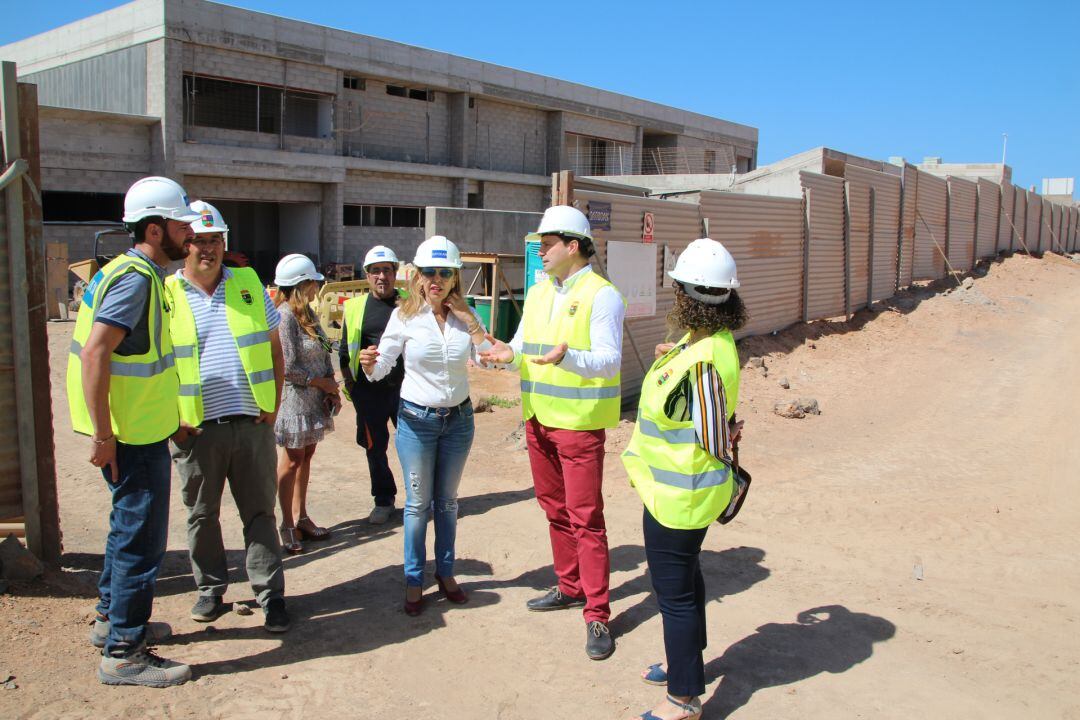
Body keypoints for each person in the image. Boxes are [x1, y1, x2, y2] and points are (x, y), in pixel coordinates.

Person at [67, 176, 198, 686]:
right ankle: (125, 650)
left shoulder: (129, 270)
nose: (189, 233)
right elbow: (98, 352)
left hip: (133, 429)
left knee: (127, 530)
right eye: (181, 223)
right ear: (153, 226)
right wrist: (104, 436)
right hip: (130, 435)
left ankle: (109, 621)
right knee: (141, 541)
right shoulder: (137, 279)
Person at [480, 205, 625, 661]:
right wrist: (504, 354)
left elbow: (609, 361)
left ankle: (598, 613)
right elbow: (522, 346)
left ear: (574, 246)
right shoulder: (542, 292)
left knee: (586, 518)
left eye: (547, 244)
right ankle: (569, 586)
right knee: (554, 510)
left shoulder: (603, 296)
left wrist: (568, 359)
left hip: (579, 427)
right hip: (537, 419)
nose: (540, 251)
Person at [621, 238, 748, 720]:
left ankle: (684, 696)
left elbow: (714, 435)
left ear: (686, 296)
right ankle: (686, 664)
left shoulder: (706, 357)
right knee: (687, 582)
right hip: (675, 490)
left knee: (673, 595)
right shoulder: (698, 342)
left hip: (681, 495)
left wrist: (726, 427)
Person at [164, 201, 290, 633]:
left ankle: (270, 595)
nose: (207, 249)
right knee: (202, 516)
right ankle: (210, 590)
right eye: (198, 240)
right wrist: (172, 420)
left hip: (251, 423)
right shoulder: (167, 294)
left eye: (215, 240)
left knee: (260, 513)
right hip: (196, 429)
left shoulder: (248, 283)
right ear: (184, 244)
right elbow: (159, 364)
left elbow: (275, 348)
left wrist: (273, 403)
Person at [359, 236, 487, 616]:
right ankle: (414, 579)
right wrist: (369, 365)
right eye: (429, 271)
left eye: (445, 272)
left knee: (447, 503)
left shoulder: (467, 315)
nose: (437, 279)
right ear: (416, 274)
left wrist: (471, 320)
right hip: (417, 421)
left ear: (455, 276)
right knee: (417, 505)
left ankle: (445, 573)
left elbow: (490, 359)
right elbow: (382, 367)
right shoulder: (404, 316)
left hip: (459, 421)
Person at [273, 254, 341, 554]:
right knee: (291, 461)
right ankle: (287, 523)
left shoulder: (309, 316)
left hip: (314, 399)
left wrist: (331, 384)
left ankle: (302, 518)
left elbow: (327, 348)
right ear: (302, 284)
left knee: (306, 457)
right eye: (313, 282)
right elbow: (286, 367)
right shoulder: (285, 316)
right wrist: (320, 382)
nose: (317, 287)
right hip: (294, 401)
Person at [339, 246, 407, 524]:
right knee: (374, 447)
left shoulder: (411, 304)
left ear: (395, 273)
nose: (382, 276)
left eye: (387, 270)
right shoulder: (355, 308)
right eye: (376, 271)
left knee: (415, 446)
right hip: (369, 393)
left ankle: (422, 498)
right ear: (367, 275)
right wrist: (351, 387)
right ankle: (383, 499)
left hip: (406, 390)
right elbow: (345, 351)